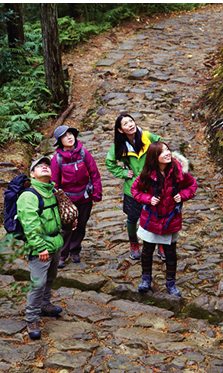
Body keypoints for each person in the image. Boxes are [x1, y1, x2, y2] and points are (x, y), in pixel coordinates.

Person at [130, 141, 197, 296]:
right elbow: (135, 189)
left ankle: (170, 283)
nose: (167, 153)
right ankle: (145, 279)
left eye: (168, 149)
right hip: (151, 218)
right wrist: (148, 198)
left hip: (170, 218)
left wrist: (182, 196)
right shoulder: (148, 174)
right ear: (155, 157)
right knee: (147, 250)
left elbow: (192, 186)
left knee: (170, 252)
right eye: (162, 152)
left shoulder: (178, 171)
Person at [17, 156, 67, 340]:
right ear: (32, 174)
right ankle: (32, 319)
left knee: (50, 278)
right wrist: (40, 247)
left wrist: (69, 223)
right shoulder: (28, 196)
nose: (45, 167)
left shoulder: (52, 191)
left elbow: (56, 216)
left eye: (47, 165)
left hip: (55, 243)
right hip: (40, 248)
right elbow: (30, 224)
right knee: (38, 284)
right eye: (40, 166)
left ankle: (45, 305)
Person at [105, 114, 162, 260]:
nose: (130, 124)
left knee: (158, 215)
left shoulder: (147, 137)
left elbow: (162, 147)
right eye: (125, 123)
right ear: (120, 130)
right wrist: (124, 172)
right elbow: (109, 162)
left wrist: (159, 166)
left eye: (131, 121)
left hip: (153, 185)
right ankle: (134, 243)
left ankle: (161, 244)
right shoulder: (120, 146)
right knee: (132, 218)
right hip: (133, 189)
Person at [51, 125, 102, 269]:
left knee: (80, 226)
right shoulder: (57, 159)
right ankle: (62, 254)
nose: (69, 137)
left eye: (70, 134)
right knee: (67, 227)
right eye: (65, 135)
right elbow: (54, 182)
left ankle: (75, 250)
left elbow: (94, 174)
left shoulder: (84, 154)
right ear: (60, 141)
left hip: (85, 197)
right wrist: (57, 200)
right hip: (67, 200)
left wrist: (97, 193)